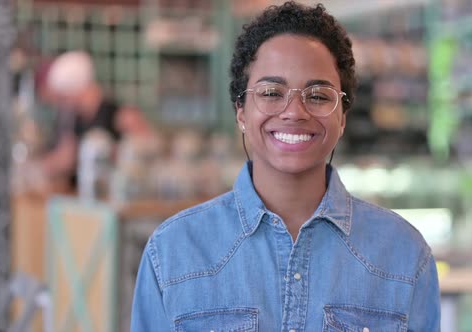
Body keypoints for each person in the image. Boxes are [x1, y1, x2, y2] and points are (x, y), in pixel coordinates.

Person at [131, 2, 440, 331]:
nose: (294, 111)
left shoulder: (403, 255)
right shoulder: (173, 251)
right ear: (241, 112)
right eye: (271, 92)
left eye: (318, 95)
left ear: (343, 116)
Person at [37, 51, 152, 188]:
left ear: (76, 90)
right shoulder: (75, 121)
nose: (63, 105)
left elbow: (148, 154)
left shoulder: (120, 115)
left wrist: (120, 153)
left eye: (64, 98)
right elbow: (64, 158)